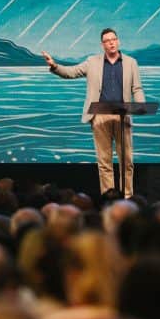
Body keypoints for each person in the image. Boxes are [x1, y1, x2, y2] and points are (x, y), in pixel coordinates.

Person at [42, 28, 146, 197]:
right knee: (104, 162)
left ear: (118, 41)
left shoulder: (131, 62)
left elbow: (137, 88)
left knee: (127, 162)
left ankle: (127, 197)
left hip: (123, 115)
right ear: (102, 44)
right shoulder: (92, 62)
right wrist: (54, 66)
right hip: (99, 116)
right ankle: (108, 198)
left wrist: (140, 106)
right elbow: (71, 72)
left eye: (113, 39)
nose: (111, 43)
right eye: (107, 41)